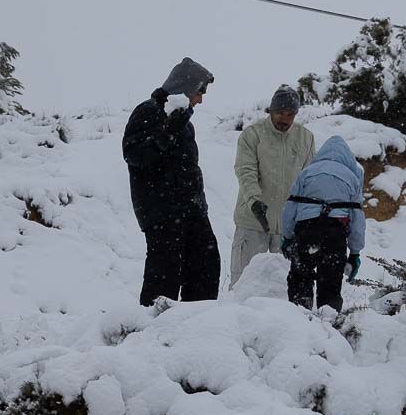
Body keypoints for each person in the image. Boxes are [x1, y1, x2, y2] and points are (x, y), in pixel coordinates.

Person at [121, 57, 220, 306]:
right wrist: (167, 132)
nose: (201, 99)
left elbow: (189, 170)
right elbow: (134, 155)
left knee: (206, 267)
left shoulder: (184, 121)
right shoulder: (148, 110)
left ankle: (198, 326)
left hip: (192, 210)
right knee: (164, 279)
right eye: (199, 91)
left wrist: (200, 205)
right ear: (184, 87)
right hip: (162, 212)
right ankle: (153, 335)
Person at [229, 85, 316, 286]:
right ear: (271, 110)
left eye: (290, 114)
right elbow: (245, 171)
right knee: (242, 285)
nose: (284, 119)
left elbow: (308, 180)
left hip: (287, 228)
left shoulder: (306, 138)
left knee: (284, 289)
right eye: (279, 113)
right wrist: (255, 201)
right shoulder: (253, 135)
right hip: (252, 222)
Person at [280, 135, 366, 311]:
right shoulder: (352, 178)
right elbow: (358, 220)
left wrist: (287, 236)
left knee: (300, 278)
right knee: (330, 284)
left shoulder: (306, 173)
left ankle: (298, 318)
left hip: (306, 231)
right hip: (335, 235)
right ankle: (329, 324)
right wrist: (355, 253)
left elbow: (290, 207)